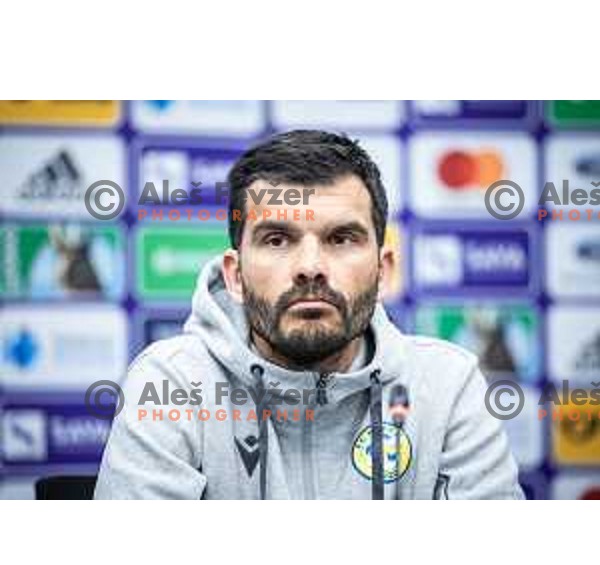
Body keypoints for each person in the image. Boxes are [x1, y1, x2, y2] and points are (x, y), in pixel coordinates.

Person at [94, 130, 524, 500]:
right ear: (235, 275)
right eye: (278, 239)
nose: (310, 266)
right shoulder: (172, 383)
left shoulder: (446, 387)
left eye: (341, 238)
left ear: (384, 270)